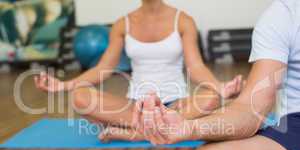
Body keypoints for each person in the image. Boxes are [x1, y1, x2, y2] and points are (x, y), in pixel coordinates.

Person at [135, 0, 300, 150]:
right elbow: (250, 109)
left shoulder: (182, 21)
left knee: (208, 101)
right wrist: (189, 128)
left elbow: (195, 67)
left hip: (177, 99)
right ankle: (128, 132)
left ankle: (126, 132)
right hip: (295, 125)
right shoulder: (283, 14)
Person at [34, 0, 243, 142]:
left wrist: (220, 88)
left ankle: (135, 134)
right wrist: (64, 85)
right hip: (135, 109)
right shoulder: (122, 24)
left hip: (175, 107)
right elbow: (103, 68)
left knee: (212, 98)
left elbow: (195, 67)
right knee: (80, 97)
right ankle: (149, 130)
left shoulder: (183, 20)